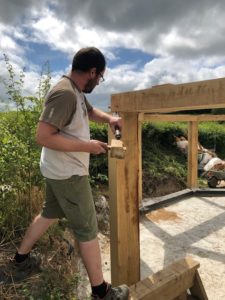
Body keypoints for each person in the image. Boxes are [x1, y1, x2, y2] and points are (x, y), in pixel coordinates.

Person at [2, 47, 129, 299]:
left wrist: (111, 120)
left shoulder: (76, 91)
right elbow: (43, 136)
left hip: (57, 170)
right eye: (100, 77)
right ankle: (101, 292)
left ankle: (19, 261)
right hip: (68, 174)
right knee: (87, 228)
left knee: (49, 213)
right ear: (92, 72)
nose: (99, 81)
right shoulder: (64, 94)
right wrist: (88, 146)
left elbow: (90, 112)